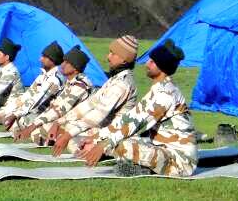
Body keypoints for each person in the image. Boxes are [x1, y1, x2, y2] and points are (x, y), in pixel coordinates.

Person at [78, 39, 197, 177]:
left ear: (161, 67)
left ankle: (143, 168)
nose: (146, 64)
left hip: (179, 161)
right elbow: (128, 119)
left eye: (152, 62)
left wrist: (104, 144)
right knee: (116, 141)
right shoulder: (159, 89)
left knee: (120, 145)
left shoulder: (165, 95)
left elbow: (135, 125)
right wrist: (96, 138)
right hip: (163, 150)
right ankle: (142, 165)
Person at [46, 35, 139, 156]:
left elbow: (97, 115)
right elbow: (89, 104)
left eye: (113, 54)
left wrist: (67, 135)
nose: (108, 57)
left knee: (69, 136)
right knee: (62, 129)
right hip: (105, 129)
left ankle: (99, 151)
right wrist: (58, 122)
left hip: (114, 135)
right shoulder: (115, 79)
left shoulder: (122, 84)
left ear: (124, 60)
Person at [13, 45, 93, 141]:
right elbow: (54, 105)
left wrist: (33, 126)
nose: (62, 65)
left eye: (67, 63)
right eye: (63, 61)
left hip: (75, 122)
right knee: (26, 122)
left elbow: (60, 110)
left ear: (75, 68)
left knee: (36, 133)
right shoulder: (70, 82)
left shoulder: (80, 86)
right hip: (62, 119)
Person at [0, 42, 65, 129]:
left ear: (52, 60)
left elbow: (36, 100)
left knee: (18, 122)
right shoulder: (42, 76)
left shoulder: (54, 80)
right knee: (7, 116)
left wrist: (15, 115)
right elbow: (27, 95)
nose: (40, 59)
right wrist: (3, 112)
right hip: (36, 111)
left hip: (48, 114)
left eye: (44, 57)